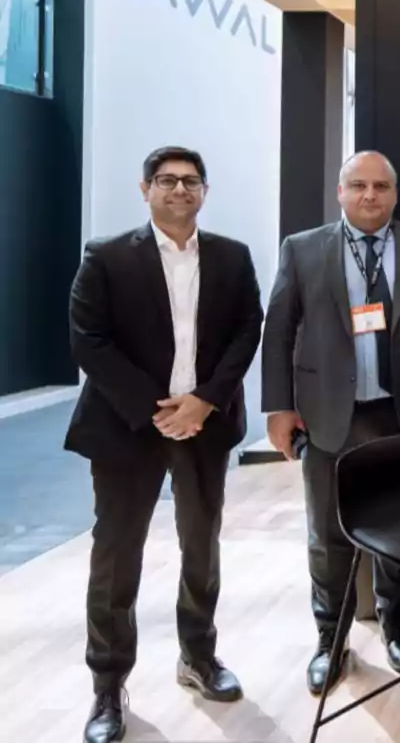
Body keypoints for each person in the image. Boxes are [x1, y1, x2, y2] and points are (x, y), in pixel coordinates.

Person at [65, 146, 263, 743]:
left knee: (201, 546)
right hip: (127, 427)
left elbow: (247, 328)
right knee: (116, 555)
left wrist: (205, 400)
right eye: (168, 180)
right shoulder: (105, 257)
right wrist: (157, 410)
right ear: (146, 187)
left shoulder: (231, 257)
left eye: (191, 181)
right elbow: (87, 341)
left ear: (204, 191)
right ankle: (107, 685)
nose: (180, 190)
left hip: (204, 426)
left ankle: (198, 657)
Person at [260, 151, 400, 696]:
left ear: (395, 192)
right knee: (327, 534)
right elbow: (278, 331)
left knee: (399, 528)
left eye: (382, 186)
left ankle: (395, 625)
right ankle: (330, 641)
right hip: (324, 417)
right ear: (340, 191)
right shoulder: (302, 249)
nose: (371, 196)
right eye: (359, 185)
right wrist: (278, 408)